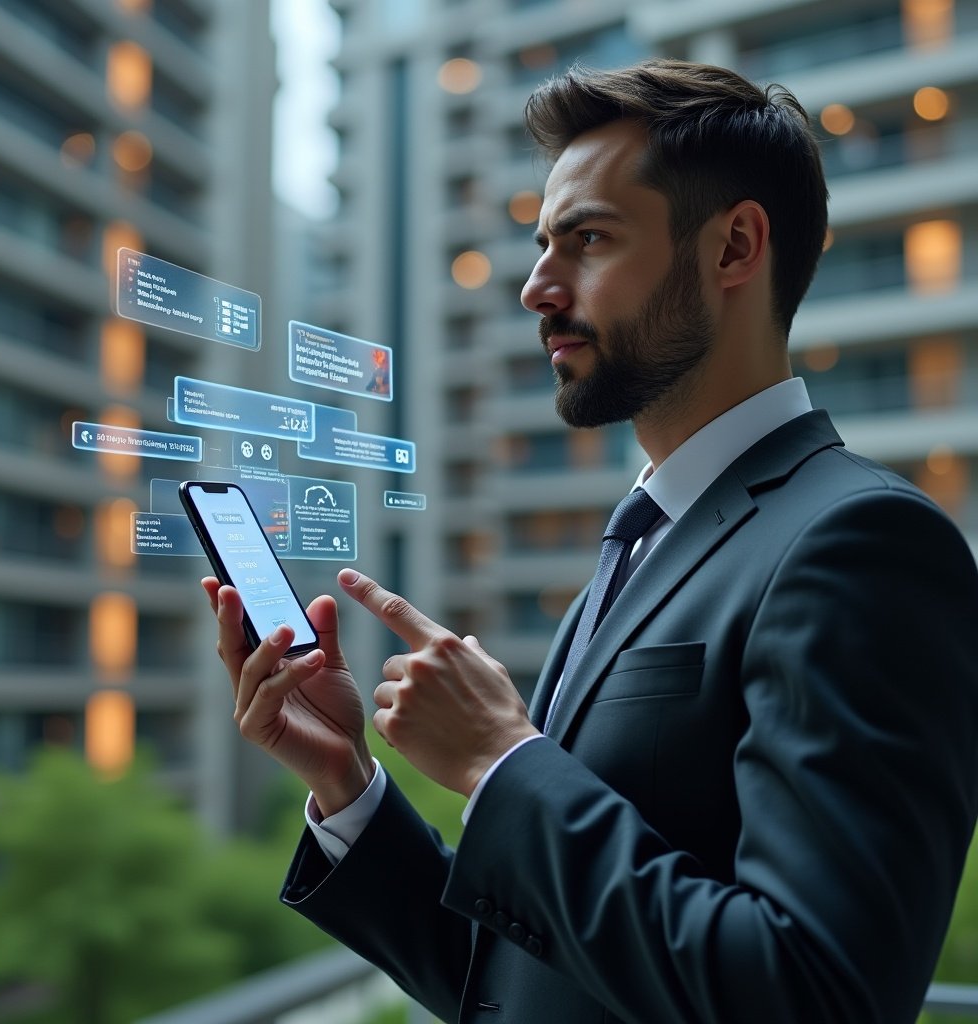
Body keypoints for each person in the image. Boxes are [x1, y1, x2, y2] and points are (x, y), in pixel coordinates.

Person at [203, 58, 978, 1023]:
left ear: (734, 246)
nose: (536, 287)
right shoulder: (645, 542)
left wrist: (501, 762)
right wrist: (348, 783)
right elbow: (523, 981)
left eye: (589, 239)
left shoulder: (863, 543)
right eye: (540, 245)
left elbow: (816, 993)